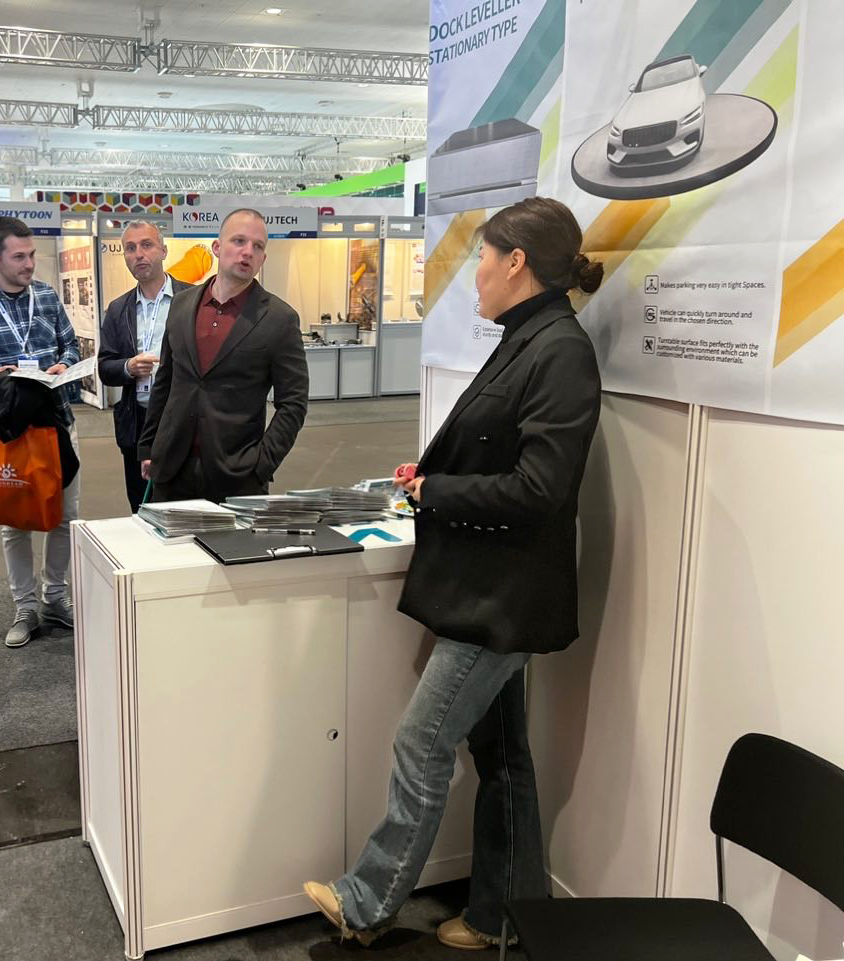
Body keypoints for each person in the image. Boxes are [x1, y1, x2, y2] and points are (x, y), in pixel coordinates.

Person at [302, 197, 606, 952]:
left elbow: (540, 488)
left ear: (517, 263)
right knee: (501, 755)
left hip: (502, 597)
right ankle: (507, 914)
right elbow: (499, 447)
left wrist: (439, 490)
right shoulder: (528, 337)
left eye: (484, 259)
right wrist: (434, 474)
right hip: (486, 584)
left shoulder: (559, 350)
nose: (476, 274)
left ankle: (367, 903)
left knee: (421, 743)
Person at [0, 215, 80, 649]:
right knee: (14, 523)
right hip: (9, 433)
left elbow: (71, 344)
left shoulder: (46, 296)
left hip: (57, 423)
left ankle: (55, 598)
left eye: (32, 256)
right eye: (19, 257)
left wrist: (64, 364)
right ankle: (25, 607)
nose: (29, 265)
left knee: (65, 517)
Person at [137, 208, 308, 503]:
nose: (247, 252)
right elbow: (166, 381)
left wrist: (261, 464)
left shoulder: (280, 319)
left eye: (257, 246)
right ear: (217, 247)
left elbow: (293, 403)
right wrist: (150, 446)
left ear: (263, 259)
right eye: (239, 241)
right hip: (171, 470)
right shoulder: (181, 305)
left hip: (237, 476)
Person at [98, 220, 192, 512]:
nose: (138, 254)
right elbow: (105, 367)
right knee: (142, 509)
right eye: (130, 248)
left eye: (147, 245)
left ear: (163, 250)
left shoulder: (193, 300)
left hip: (184, 421)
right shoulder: (118, 309)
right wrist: (128, 367)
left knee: (187, 508)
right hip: (137, 423)